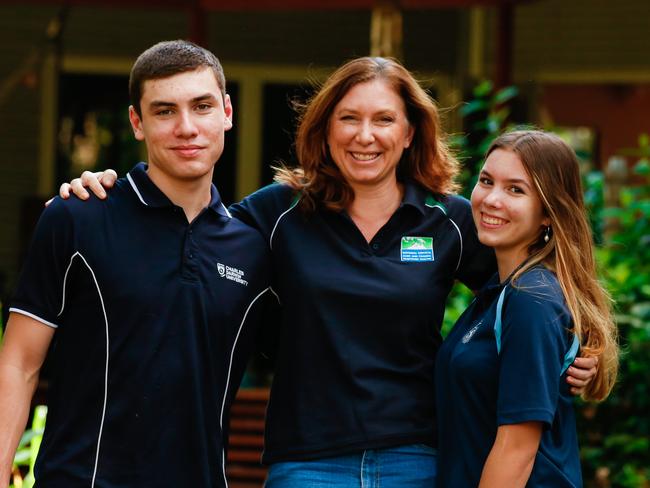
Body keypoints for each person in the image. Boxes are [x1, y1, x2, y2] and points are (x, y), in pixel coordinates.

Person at [59, 58, 597, 487]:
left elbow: (532, 288)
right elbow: (183, 230)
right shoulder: (278, 214)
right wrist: (108, 194)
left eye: (384, 119)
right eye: (349, 118)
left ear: (410, 132)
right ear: (326, 127)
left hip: (418, 459)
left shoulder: (450, 220)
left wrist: (582, 352)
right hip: (306, 463)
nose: (366, 136)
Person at [0, 40, 271, 488]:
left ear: (226, 111)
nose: (187, 127)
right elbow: (18, 363)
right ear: (136, 122)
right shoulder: (77, 217)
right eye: (165, 111)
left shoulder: (254, 250)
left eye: (201, 106)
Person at [435, 130, 619, 487]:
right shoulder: (501, 291)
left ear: (549, 213)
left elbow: (517, 450)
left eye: (515, 190)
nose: (491, 199)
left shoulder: (531, 299)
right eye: (486, 181)